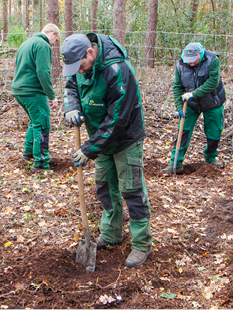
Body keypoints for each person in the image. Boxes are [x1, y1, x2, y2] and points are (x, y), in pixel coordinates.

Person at [61, 33, 152, 267]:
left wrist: (90, 148)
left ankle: (142, 244)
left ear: (90, 52)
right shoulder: (79, 68)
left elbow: (117, 119)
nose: (79, 71)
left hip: (125, 138)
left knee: (131, 189)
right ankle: (112, 234)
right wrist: (71, 106)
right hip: (100, 140)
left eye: (80, 65)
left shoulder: (117, 70)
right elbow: (71, 85)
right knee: (104, 186)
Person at [162, 42, 226, 174]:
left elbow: (213, 82)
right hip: (190, 104)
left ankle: (210, 157)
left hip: (212, 101)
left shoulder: (212, 60)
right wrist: (179, 106)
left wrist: (193, 94)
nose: (190, 64)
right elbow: (177, 86)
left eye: (193, 61)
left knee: (214, 131)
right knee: (183, 130)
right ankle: (176, 162)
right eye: (188, 61)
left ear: (200, 54)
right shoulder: (180, 64)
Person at [11, 24, 60, 171]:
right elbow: (43, 73)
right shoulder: (43, 45)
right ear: (51, 34)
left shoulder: (26, 44)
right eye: (55, 40)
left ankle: (28, 153)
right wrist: (52, 96)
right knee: (43, 123)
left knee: (35, 121)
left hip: (19, 90)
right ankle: (41, 163)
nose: (53, 44)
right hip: (33, 91)